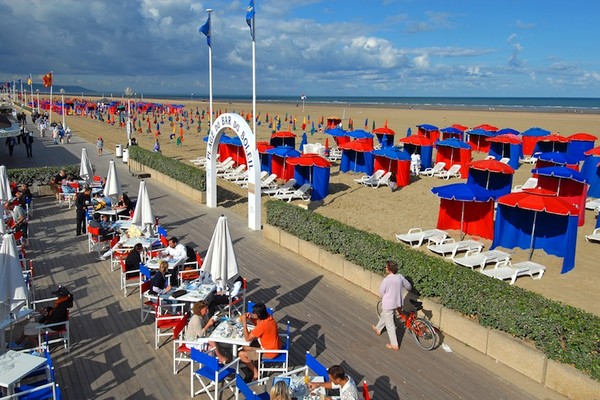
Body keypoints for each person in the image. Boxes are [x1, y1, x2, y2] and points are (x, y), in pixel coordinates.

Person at [372, 260, 412, 351]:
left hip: (388, 304)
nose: (385, 268)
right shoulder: (400, 277)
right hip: (397, 303)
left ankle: (394, 344)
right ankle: (378, 328)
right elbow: (408, 286)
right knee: (385, 315)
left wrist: (383, 297)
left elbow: (382, 292)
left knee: (390, 324)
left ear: (389, 269)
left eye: (386, 267)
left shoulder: (387, 280)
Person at [239, 302, 281, 381]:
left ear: (258, 315)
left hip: (269, 352)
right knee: (245, 347)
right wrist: (250, 318)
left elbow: (247, 338)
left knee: (241, 354)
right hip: (273, 346)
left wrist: (244, 322)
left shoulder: (263, 325)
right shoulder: (269, 318)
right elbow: (258, 323)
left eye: (253, 313)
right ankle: (254, 362)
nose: (252, 314)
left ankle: (256, 372)